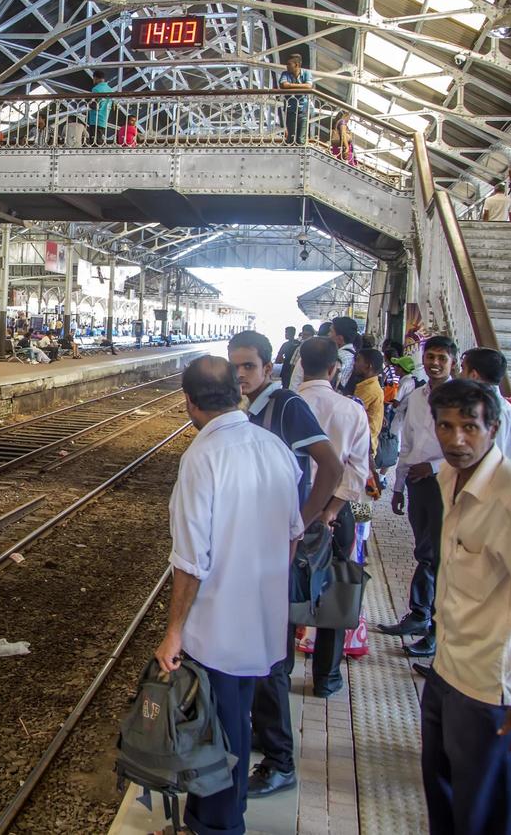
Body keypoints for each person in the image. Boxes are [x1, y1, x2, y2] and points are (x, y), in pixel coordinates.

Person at [156, 356, 305, 834]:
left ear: (190, 402)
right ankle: (221, 818)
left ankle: (218, 826)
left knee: (216, 732)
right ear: (237, 393)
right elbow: (293, 532)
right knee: (237, 721)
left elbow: (191, 561)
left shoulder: (202, 456)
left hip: (216, 627)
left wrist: (173, 632)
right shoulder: (273, 446)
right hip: (262, 620)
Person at [421, 378, 511, 835]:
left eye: (469, 427)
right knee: (444, 801)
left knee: (486, 818)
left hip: (491, 691)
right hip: (446, 671)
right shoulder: (448, 478)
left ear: (494, 427)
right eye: (446, 426)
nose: (456, 439)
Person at [227, 331, 343, 798]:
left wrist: (300, 522)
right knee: (261, 651)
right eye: (234, 367)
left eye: (249, 366)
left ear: (269, 367)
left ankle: (280, 762)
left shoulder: (288, 407)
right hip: (255, 551)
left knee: (270, 657)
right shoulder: (250, 411)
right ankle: (265, 737)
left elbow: (331, 468)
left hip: (275, 552)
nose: (241, 375)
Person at [294, 337, 371, 699]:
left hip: (288, 513)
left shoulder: (285, 407)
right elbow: (357, 471)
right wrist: (330, 513)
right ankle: (325, 678)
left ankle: (278, 670)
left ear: (300, 364)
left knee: (282, 591)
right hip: (335, 516)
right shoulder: (352, 409)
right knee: (334, 590)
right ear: (334, 368)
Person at [377, 335, 457, 657]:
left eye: (441, 358)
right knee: (424, 552)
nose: (434, 363)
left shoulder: (461, 398)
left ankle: (436, 630)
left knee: (439, 557)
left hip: (445, 485)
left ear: (453, 361)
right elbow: (407, 444)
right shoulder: (418, 395)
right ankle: (419, 615)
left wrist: (434, 467)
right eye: (430, 356)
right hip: (416, 483)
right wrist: (397, 487)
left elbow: (469, 447)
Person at [462, 347, 511, 460]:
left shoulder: (498, 411)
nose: (460, 374)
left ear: (473, 375)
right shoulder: (476, 404)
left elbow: (495, 457)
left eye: (463, 369)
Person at [352, 347, 386, 456]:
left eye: (358, 360)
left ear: (368, 366)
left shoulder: (369, 389)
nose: (355, 364)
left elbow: (351, 413)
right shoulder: (368, 385)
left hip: (363, 446)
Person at [277, 52, 314, 145]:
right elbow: (283, 85)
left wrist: (290, 86)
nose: (287, 66)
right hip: (291, 109)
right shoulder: (285, 74)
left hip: (303, 109)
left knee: (301, 137)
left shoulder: (306, 73)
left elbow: (309, 86)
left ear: (296, 65)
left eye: (289, 64)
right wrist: (301, 86)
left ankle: (300, 155)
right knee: (291, 136)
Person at [329, 315, 359, 390]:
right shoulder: (353, 353)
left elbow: (331, 385)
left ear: (340, 338)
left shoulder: (338, 356)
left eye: (331, 331)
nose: (328, 334)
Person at [88, 72, 116, 143]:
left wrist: (88, 105)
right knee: (99, 139)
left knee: (94, 141)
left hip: (95, 118)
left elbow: (95, 104)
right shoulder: (110, 89)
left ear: (95, 78)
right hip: (104, 119)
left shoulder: (96, 89)